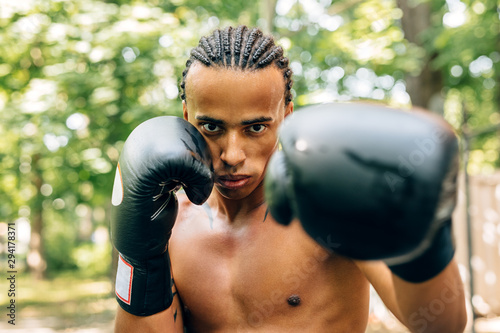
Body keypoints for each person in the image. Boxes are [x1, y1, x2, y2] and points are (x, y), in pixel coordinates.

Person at [110, 25, 467, 332]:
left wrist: (425, 241)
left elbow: (440, 325)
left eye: (255, 127)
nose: (232, 155)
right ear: (187, 116)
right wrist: (140, 261)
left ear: (286, 116)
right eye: (212, 127)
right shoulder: (168, 219)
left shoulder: (325, 203)